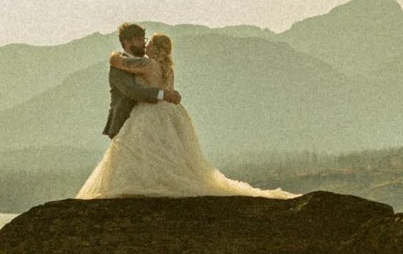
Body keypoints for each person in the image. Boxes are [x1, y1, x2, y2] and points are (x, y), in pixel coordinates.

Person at [77, 24, 294, 199]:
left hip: (149, 113)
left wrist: (114, 57)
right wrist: (163, 93)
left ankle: (152, 185)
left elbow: (125, 69)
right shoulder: (162, 66)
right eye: (140, 41)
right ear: (127, 42)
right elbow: (132, 90)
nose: (144, 45)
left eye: (147, 42)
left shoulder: (144, 63)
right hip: (160, 113)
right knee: (165, 151)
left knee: (151, 152)